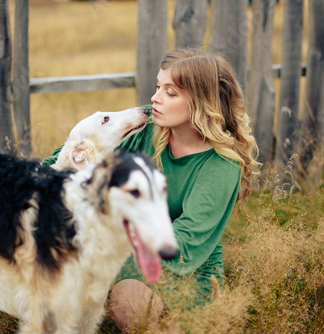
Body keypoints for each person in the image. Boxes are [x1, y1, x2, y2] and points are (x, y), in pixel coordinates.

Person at [43, 48, 260, 332]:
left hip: (184, 273)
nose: (155, 98)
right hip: (126, 257)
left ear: (202, 102)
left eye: (170, 93)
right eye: (158, 87)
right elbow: (67, 158)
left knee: (129, 298)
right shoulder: (146, 130)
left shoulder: (219, 165)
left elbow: (183, 245)